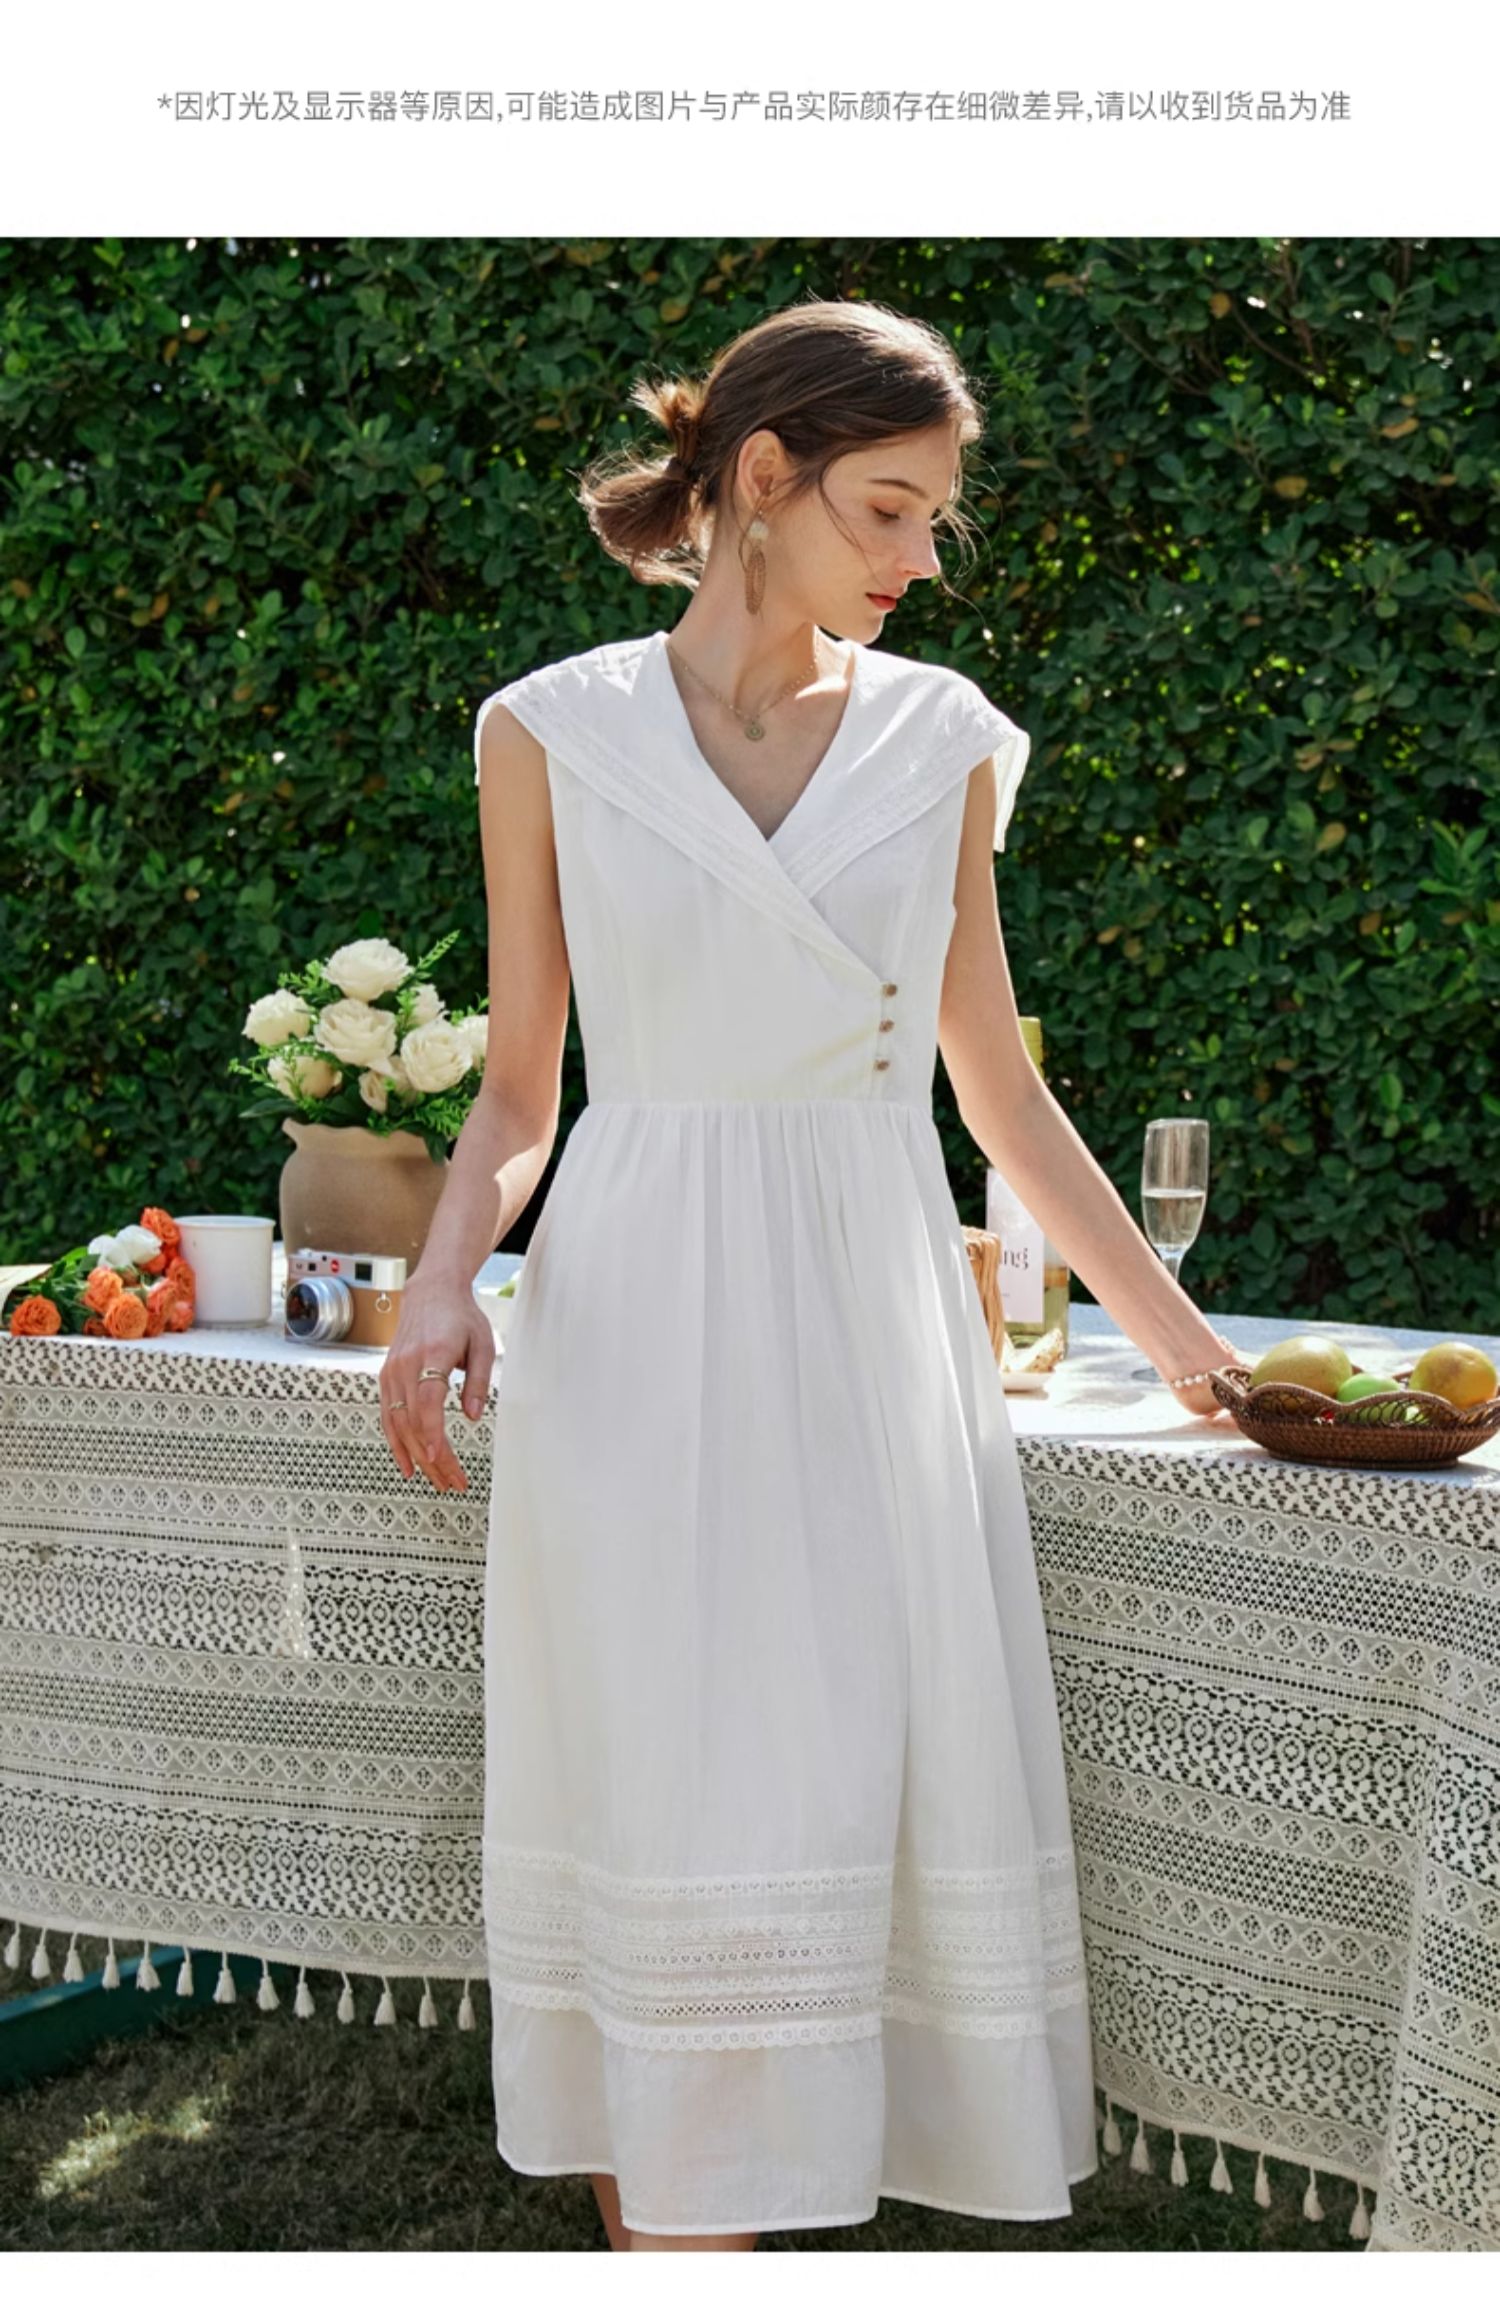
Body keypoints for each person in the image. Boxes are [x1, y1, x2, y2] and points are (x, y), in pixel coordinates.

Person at [378, 296, 1245, 2253]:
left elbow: (997, 1089)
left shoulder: (941, 741)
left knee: (832, 1775)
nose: (923, 557)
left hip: (865, 1318)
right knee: (658, 1785)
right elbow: (519, 1089)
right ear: (761, 480)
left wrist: (1194, 1353)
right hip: (632, 1311)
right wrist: (443, 1285)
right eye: (890, 508)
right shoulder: (546, 731)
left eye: (936, 516)